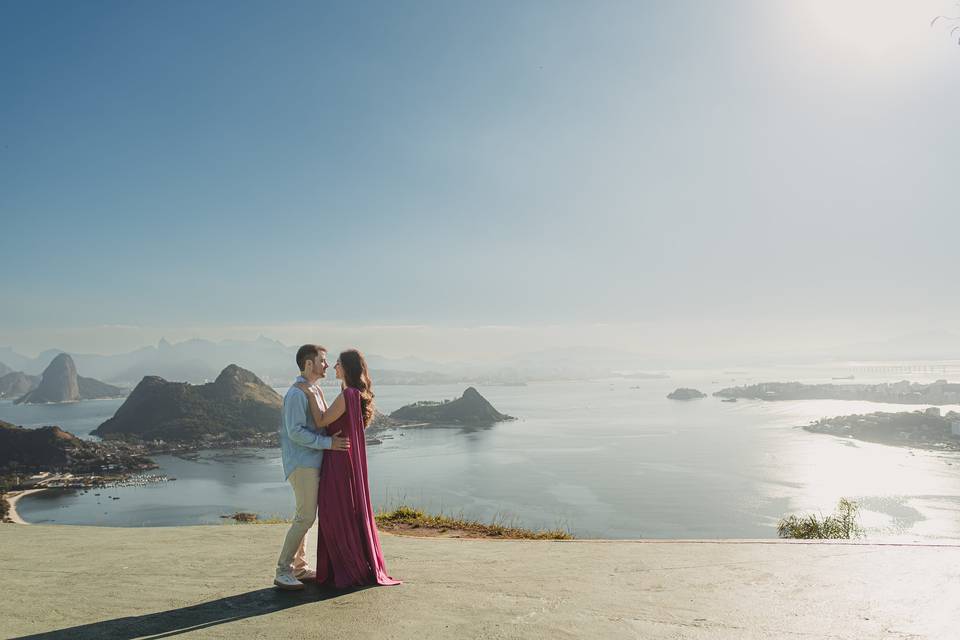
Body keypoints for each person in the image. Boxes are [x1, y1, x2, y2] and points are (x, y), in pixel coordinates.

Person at [296, 348, 401, 588]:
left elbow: (322, 420)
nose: (333, 367)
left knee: (334, 514)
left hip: (337, 459)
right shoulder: (357, 395)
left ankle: (344, 566)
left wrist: (310, 394)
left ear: (347, 368)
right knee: (343, 512)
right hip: (346, 459)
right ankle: (352, 562)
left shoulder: (347, 396)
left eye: (338, 364)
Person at [274, 344, 351, 591]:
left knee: (307, 517)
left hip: (312, 461)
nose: (327, 365)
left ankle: (299, 567)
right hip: (302, 463)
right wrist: (328, 443)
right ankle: (282, 570)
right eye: (323, 360)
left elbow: (321, 420)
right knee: (305, 516)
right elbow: (295, 432)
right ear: (309, 364)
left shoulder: (313, 389)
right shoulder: (297, 394)